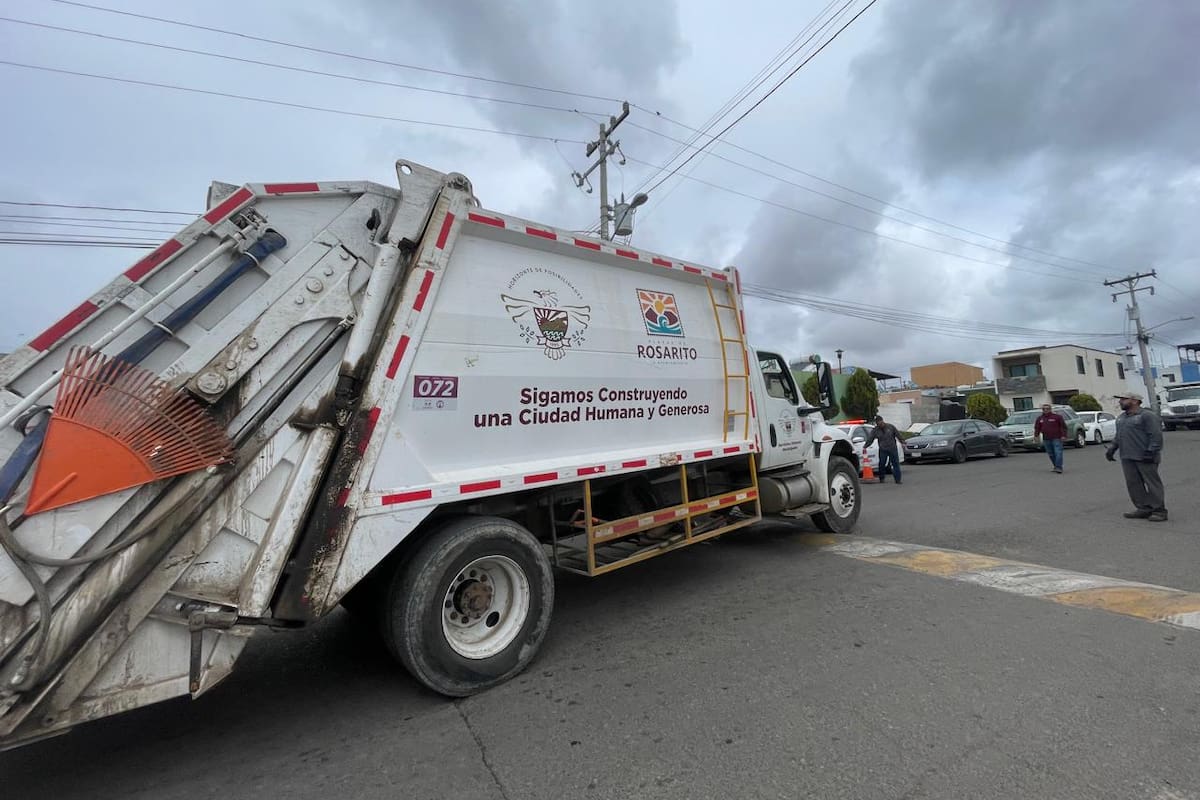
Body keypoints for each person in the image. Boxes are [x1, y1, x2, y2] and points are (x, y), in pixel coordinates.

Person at [1105, 392, 1167, 522]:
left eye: (1123, 399)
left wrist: (1151, 451)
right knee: (1133, 484)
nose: (1120, 402)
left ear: (1135, 401)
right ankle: (1143, 508)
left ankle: (1159, 510)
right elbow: (1119, 435)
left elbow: (1156, 435)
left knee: (1152, 484)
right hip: (1127, 456)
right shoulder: (1121, 418)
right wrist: (1112, 448)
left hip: (1145, 456)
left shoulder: (1147, 416)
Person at [864, 414, 903, 485]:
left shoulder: (890, 427)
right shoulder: (875, 430)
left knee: (895, 464)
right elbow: (870, 439)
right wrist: (865, 446)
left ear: (882, 421)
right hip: (883, 449)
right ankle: (881, 478)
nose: (879, 424)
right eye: (878, 423)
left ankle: (898, 479)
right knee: (881, 464)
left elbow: (898, 434)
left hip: (892, 448)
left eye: (880, 422)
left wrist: (903, 442)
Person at [1033, 402, 1067, 473]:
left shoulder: (1057, 417)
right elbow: (1037, 428)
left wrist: (1063, 435)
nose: (1046, 410)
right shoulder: (1040, 418)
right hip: (1046, 439)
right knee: (1051, 454)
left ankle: (1059, 467)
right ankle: (1056, 466)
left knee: (1058, 452)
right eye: (1044, 409)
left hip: (1057, 438)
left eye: (1047, 409)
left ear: (1050, 409)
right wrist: (1036, 436)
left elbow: (1063, 427)